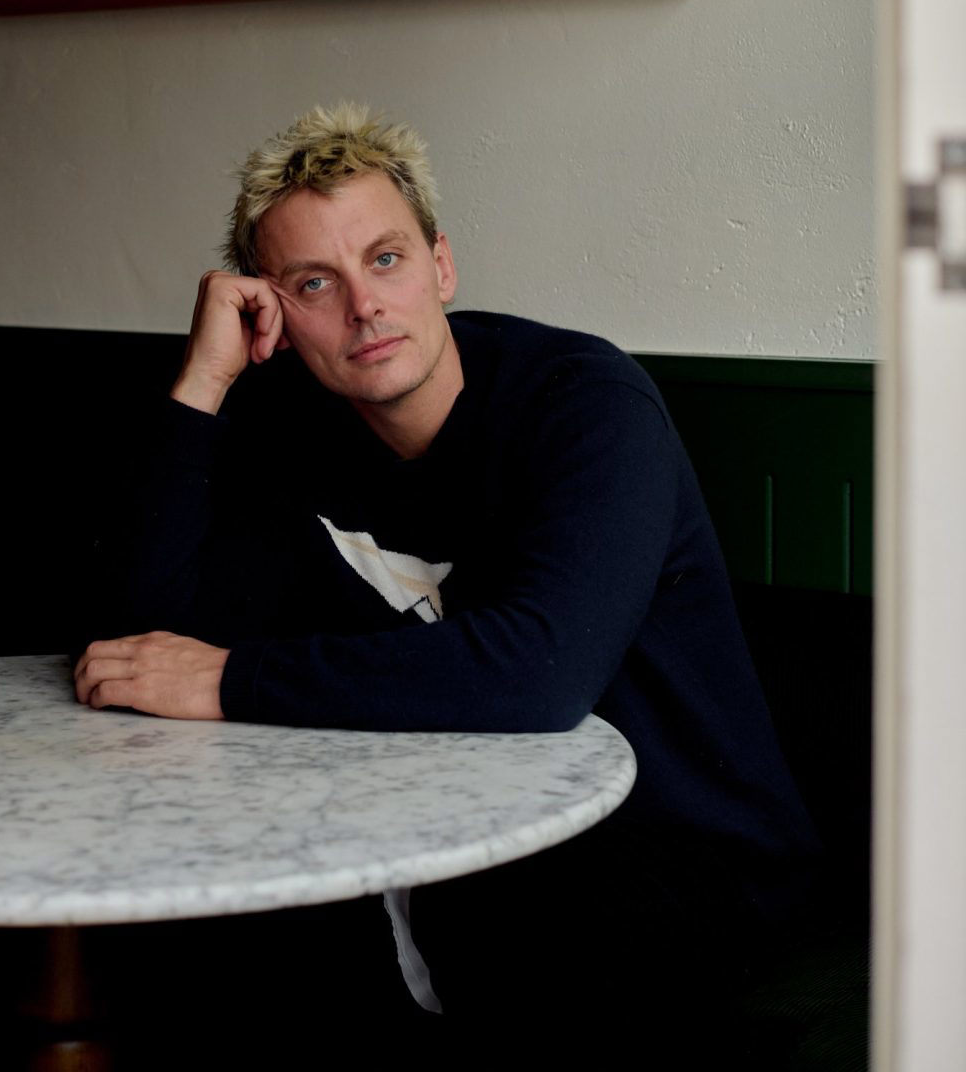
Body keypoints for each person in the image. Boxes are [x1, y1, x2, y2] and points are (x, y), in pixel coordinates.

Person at [75, 102, 820, 1055]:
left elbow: (537, 675)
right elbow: (135, 647)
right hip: (445, 844)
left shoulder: (587, 404)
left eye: (385, 260)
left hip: (676, 855)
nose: (363, 305)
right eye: (314, 281)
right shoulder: (289, 422)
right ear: (272, 311)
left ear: (441, 266)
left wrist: (228, 679)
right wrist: (204, 384)